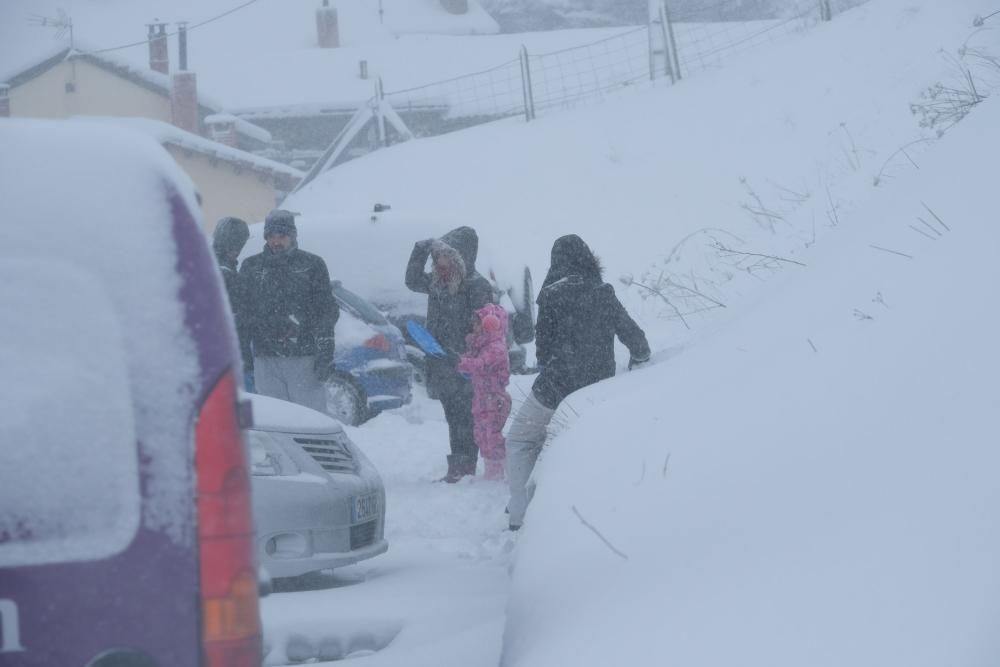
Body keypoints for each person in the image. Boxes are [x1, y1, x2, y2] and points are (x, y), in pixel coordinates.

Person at [507, 234, 650, 530]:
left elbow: (543, 353)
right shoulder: (603, 293)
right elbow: (638, 342)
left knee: (521, 440)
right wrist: (635, 363)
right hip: (598, 389)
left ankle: (521, 515)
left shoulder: (551, 296)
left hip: (556, 386)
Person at [405, 226, 494, 482]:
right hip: (440, 363)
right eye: (438, 256)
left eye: (445, 256)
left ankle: (465, 467)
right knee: (453, 416)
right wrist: (420, 248)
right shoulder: (437, 283)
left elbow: (486, 328)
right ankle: (458, 466)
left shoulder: (477, 286)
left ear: (460, 257)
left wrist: (467, 356)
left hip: (465, 365)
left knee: (466, 418)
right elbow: (411, 280)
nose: (440, 262)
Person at [240, 209, 339, 413]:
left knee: (310, 418)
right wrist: (244, 352)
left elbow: (326, 309)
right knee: (274, 421)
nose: (276, 242)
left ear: (293, 236)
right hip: (265, 357)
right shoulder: (251, 267)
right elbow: (244, 311)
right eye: (271, 237)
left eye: (282, 236)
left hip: (303, 357)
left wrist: (326, 350)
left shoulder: (312, 264)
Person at [457, 304, 512, 481]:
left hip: (495, 400)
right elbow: (470, 363)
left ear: (489, 324)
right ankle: (492, 474)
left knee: (493, 436)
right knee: (482, 437)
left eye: (477, 324)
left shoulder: (496, 348)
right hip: (481, 399)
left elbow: (479, 364)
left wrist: (459, 362)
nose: (474, 327)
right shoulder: (480, 346)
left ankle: (510, 472)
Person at [211, 216, 253, 388]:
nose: (238, 248)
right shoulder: (224, 273)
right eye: (236, 243)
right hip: (234, 359)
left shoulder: (210, 265)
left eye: (241, 243)